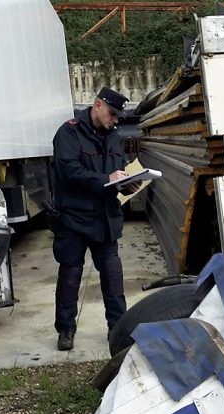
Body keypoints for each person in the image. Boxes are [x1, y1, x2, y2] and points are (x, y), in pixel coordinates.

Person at [51, 87, 140, 351]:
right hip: (74, 218)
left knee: (113, 276)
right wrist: (107, 180)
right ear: (97, 105)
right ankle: (66, 329)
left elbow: (117, 171)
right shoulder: (68, 133)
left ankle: (118, 328)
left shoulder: (114, 137)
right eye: (112, 114)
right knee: (70, 275)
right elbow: (69, 171)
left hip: (105, 218)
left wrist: (127, 183)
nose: (115, 120)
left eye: (118, 117)